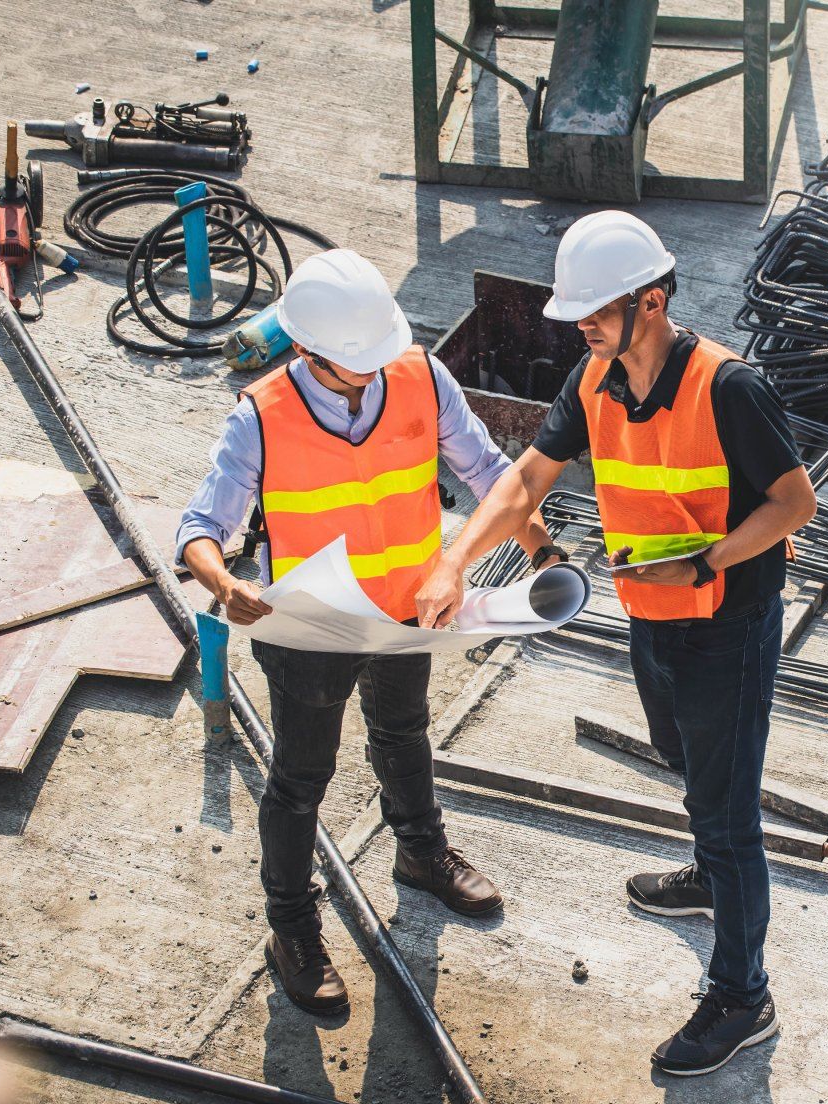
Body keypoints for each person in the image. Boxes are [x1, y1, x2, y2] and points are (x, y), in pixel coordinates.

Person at [414, 211, 817, 1076]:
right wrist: (455, 560)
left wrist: (708, 560)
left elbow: (794, 506)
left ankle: (744, 997)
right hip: (652, 618)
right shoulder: (595, 380)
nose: (583, 328)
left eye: (597, 312)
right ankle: (711, 880)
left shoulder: (730, 388)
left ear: (653, 301)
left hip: (728, 627)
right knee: (683, 761)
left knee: (729, 809)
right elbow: (525, 481)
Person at [177, 248, 567, 1015]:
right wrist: (227, 584)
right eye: (358, 362)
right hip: (311, 628)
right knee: (300, 781)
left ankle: (422, 854)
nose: (376, 370)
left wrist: (542, 550)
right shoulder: (261, 415)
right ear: (308, 350)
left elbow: (492, 475)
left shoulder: (418, 374)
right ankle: (291, 927)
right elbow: (200, 526)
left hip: (406, 611)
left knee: (403, 732)